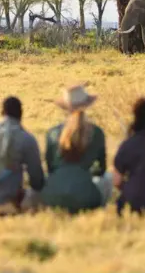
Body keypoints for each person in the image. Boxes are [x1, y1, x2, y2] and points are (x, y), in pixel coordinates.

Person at [41, 85, 112, 213]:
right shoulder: (96, 133)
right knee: (108, 178)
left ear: (65, 107)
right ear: (87, 105)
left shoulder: (52, 133)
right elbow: (101, 170)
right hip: (86, 198)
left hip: (54, 196)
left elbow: (50, 168)